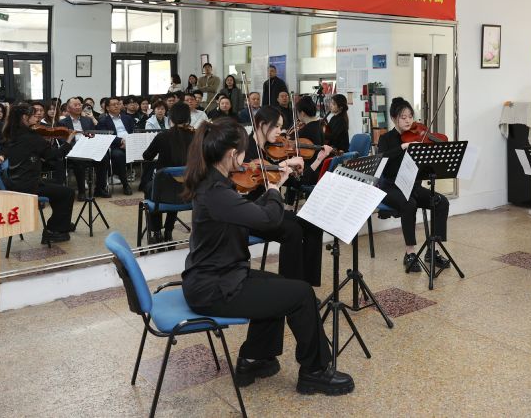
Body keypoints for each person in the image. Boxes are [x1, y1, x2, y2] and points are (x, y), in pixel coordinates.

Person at [180, 117, 353, 395]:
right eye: (242, 152)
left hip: (219, 277)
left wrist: (278, 180)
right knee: (301, 294)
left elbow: (248, 213)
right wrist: (274, 191)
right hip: (215, 288)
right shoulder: (216, 193)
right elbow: (269, 220)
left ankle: (254, 359)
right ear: (231, 155)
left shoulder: (214, 184)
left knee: (280, 287)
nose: (245, 159)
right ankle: (315, 371)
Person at [243, 107, 327, 286]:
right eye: (276, 126)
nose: (280, 131)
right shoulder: (247, 149)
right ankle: (291, 288)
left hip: (269, 210)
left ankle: (307, 285)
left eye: (281, 127)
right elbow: (257, 181)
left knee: (313, 225)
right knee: (293, 231)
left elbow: (298, 182)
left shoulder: (269, 150)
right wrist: (285, 163)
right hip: (252, 213)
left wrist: (318, 160)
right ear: (261, 124)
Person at [377, 97, 450, 273]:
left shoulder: (418, 137)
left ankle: (433, 250)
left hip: (413, 186)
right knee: (409, 204)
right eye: (403, 117)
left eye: (410, 116)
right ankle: (410, 253)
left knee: (441, 202)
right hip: (391, 187)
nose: (408, 120)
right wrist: (403, 147)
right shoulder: (386, 138)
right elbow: (382, 161)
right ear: (394, 118)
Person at [1, 103, 76, 244]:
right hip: (28, 185)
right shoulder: (31, 137)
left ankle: (61, 222)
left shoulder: (12, 133)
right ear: (25, 117)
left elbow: (33, 153)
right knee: (68, 193)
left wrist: (42, 145)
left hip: (16, 181)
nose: (38, 118)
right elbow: (54, 155)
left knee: (57, 185)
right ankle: (54, 230)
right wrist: (68, 142)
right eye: (34, 116)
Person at [142, 103, 195, 243]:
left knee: (151, 187)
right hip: (188, 192)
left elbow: (147, 156)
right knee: (177, 182)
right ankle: (169, 231)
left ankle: (156, 232)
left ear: (170, 118)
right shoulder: (196, 136)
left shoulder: (162, 136)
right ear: (188, 118)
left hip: (163, 190)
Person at [59, 97, 99, 201]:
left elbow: (93, 135)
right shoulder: (63, 122)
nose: (78, 107)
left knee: (104, 157)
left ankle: (100, 188)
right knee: (79, 161)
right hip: (73, 150)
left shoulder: (88, 120)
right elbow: (63, 141)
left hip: (88, 148)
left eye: (80, 105)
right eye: (75, 105)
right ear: (68, 108)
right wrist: (77, 147)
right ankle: (81, 191)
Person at [96, 97, 136, 196]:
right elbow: (106, 136)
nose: (117, 106)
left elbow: (133, 132)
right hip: (114, 146)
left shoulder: (127, 118)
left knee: (150, 152)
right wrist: (121, 141)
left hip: (131, 143)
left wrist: (130, 141)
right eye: (113, 104)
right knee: (119, 155)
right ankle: (125, 184)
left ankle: (146, 182)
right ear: (107, 108)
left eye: (118, 104)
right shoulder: (103, 121)